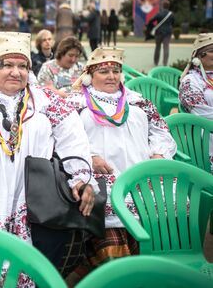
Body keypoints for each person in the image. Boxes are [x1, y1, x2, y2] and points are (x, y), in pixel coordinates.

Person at [0, 32, 97, 282]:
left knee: (35, 262)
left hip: (34, 195)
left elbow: (73, 137)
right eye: (8, 65)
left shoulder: (45, 100)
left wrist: (80, 176)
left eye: (22, 66)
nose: (16, 72)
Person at [67, 47, 176, 281]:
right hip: (100, 183)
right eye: (104, 71)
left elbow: (161, 132)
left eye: (116, 70)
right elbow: (63, 141)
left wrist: (158, 154)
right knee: (112, 248)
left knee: (146, 239)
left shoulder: (138, 102)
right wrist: (89, 157)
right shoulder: (75, 104)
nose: (111, 76)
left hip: (138, 179)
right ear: (89, 76)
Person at [179, 33, 213, 169]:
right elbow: (201, 113)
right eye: (211, 51)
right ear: (199, 56)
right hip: (205, 139)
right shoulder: (190, 82)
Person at [148, 1, 175, 66]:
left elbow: (151, 20)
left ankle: (156, 62)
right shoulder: (171, 14)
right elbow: (173, 22)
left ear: (163, 6)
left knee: (157, 47)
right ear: (169, 6)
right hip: (168, 33)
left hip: (159, 32)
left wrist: (153, 26)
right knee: (166, 47)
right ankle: (165, 63)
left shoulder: (159, 13)